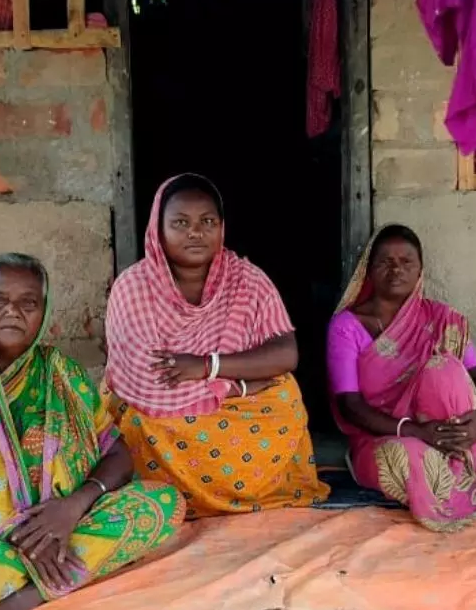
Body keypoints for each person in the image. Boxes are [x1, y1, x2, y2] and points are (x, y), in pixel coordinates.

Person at [0, 254, 185, 610]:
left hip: (70, 523)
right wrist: (29, 534)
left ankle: (25, 598)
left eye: (28, 303)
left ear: (45, 310)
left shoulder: (62, 374)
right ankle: (67, 574)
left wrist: (71, 507)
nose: (12, 312)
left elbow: (119, 455)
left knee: (164, 502)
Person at [103, 173, 330, 516]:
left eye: (207, 221)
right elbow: (149, 387)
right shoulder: (132, 288)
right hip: (161, 413)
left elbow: (286, 354)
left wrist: (208, 367)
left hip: (218, 397)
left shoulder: (247, 279)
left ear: (222, 228)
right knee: (138, 421)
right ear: (157, 229)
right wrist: (239, 386)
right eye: (180, 222)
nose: (195, 232)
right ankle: (175, 495)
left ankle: (248, 489)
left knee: (285, 396)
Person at [327, 225, 476, 530]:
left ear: (421, 270)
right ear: (368, 271)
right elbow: (349, 404)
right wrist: (417, 431)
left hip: (444, 434)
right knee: (410, 459)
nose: (396, 269)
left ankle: (456, 454)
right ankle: (446, 478)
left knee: (444, 368)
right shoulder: (347, 326)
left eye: (407, 262)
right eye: (385, 262)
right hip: (387, 437)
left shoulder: (441, 319)